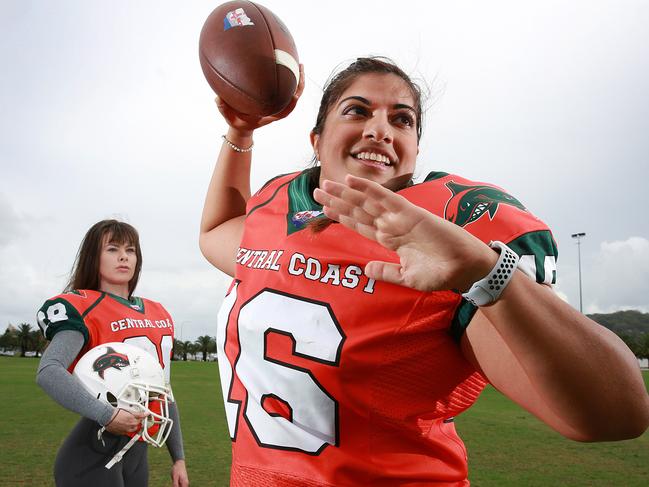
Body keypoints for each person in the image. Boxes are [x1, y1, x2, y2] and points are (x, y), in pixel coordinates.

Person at [200, 57, 649, 486]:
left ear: (415, 147)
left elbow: (613, 416)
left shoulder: (453, 228)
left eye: (402, 120)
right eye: (357, 110)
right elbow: (216, 232)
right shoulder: (279, 207)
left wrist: (489, 272)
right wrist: (240, 132)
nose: (380, 130)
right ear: (316, 140)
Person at [36, 220, 189, 487]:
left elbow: (163, 392)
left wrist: (178, 458)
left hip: (137, 450)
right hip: (94, 448)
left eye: (131, 250)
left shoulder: (158, 313)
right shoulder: (82, 306)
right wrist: (107, 415)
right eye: (112, 249)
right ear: (93, 257)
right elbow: (49, 371)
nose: (123, 256)